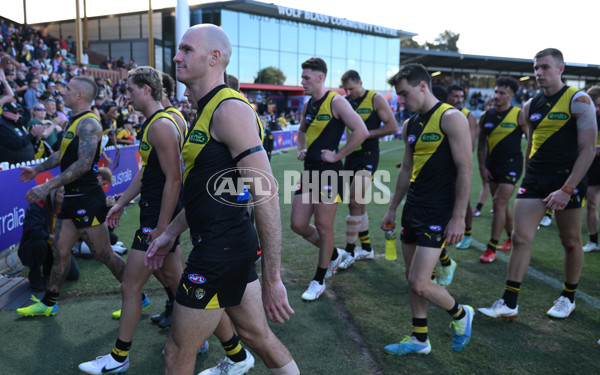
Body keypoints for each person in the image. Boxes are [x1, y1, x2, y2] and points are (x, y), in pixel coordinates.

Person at [145, 24, 299, 375]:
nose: (176, 56)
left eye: (186, 49)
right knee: (255, 334)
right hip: (222, 245)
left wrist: (273, 278)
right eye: (178, 49)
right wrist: (170, 232)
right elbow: (207, 191)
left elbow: (266, 192)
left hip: (220, 250)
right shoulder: (207, 108)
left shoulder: (228, 110)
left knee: (176, 354)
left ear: (215, 57)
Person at [78, 66, 184, 374]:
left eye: (130, 90)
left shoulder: (161, 125)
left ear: (147, 90)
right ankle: (225, 347)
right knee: (178, 283)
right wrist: (122, 203)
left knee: (130, 285)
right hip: (159, 213)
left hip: (158, 217)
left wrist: (162, 228)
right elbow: (147, 172)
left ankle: (119, 356)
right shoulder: (165, 119)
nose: (127, 96)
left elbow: (174, 179)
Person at [479, 48, 597, 320]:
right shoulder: (530, 105)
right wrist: (528, 176)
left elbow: (588, 149)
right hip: (535, 180)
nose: (539, 73)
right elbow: (531, 144)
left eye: (545, 67)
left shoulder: (578, 100)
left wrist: (567, 189)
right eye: (536, 68)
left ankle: (568, 297)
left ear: (560, 69)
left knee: (569, 241)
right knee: (520, 238)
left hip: (568, 180)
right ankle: (509, 303)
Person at [381, 63, 474, 356]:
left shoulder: (451, 118)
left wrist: (459, 217)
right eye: (398, 95)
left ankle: (461, 314)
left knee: (421, 283)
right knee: (412, 278)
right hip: (413, 208)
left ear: (423, 86)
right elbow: (406, 169)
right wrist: (392, 209)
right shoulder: (410, 125)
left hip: (438, 211)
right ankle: (420, 338)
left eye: (405, 93)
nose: (402, 100)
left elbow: (465, 169)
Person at [16, 76, 127, 317]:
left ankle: (138, 296)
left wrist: (47, 186)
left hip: (87, 198)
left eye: (67, 89)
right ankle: (49, 303)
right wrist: (37, 169)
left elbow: (84, 165)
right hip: (73, 198)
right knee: (60, 250)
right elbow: (61, 155)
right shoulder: (73, 123)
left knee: (104, 254)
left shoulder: (89, 124)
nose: (62, 92)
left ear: (79, 96)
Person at [290, 58, 368, 301]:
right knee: (298, 224)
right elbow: (302, 131)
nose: (302, 81)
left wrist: (338, 155)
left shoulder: (336, 101)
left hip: (330, 174)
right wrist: (301, 149)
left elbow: (362, 131)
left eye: (306, 77)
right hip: (310, 171)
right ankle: (334, 255)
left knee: (324, 227)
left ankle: (319, 279)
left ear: (320, 78)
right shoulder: (307, 105)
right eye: (302, 77)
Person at [337, 69, 398, 271]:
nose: (349, 92)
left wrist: (368, 133)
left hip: (368, 157)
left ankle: (350, 251)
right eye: (345, 89)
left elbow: (392, 126)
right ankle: (367, 248)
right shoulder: (345, 101)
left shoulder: (375, 99)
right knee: (356, 204)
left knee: (355, 200)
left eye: (351, 88)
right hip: (351, 155)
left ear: (360, 83)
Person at [477, 77, 529, 263]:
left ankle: (491, 249)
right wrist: (482, 167)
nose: (497, 95)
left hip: (512, 165)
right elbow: (481, 144)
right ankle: (510, 238)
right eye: (496, 92)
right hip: (492, 167)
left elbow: (531, 140)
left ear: (512, 95)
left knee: (499, 202)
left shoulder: (519, 114)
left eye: (502, 93)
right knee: (502, 205)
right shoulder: (486, 116)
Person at [18, 187, 79, 291]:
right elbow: (34, 231)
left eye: (66, 191)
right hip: (36, 245)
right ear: (53, 195)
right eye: (61, 192)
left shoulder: (66, 207)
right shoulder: (37, 206)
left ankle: (48, 270)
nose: (65, 194)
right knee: (39, 243)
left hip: (56, 247)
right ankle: (35, 273)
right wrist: (52, 238)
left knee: (73, 275)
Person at [447, 84, 478, 249]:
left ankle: (468, 232)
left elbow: (470, 146)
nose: (458, 100)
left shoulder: (468, 116)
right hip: (442, 167)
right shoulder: (442, 114)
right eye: (455, 96)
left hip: (459, 165)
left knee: (462, 200)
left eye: (461, 97)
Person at [583, 86, 600, 252]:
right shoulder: (584, 119)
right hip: (592, 165)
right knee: (592, 203)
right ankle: (593, 241)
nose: (596, 109)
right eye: (594, 104)